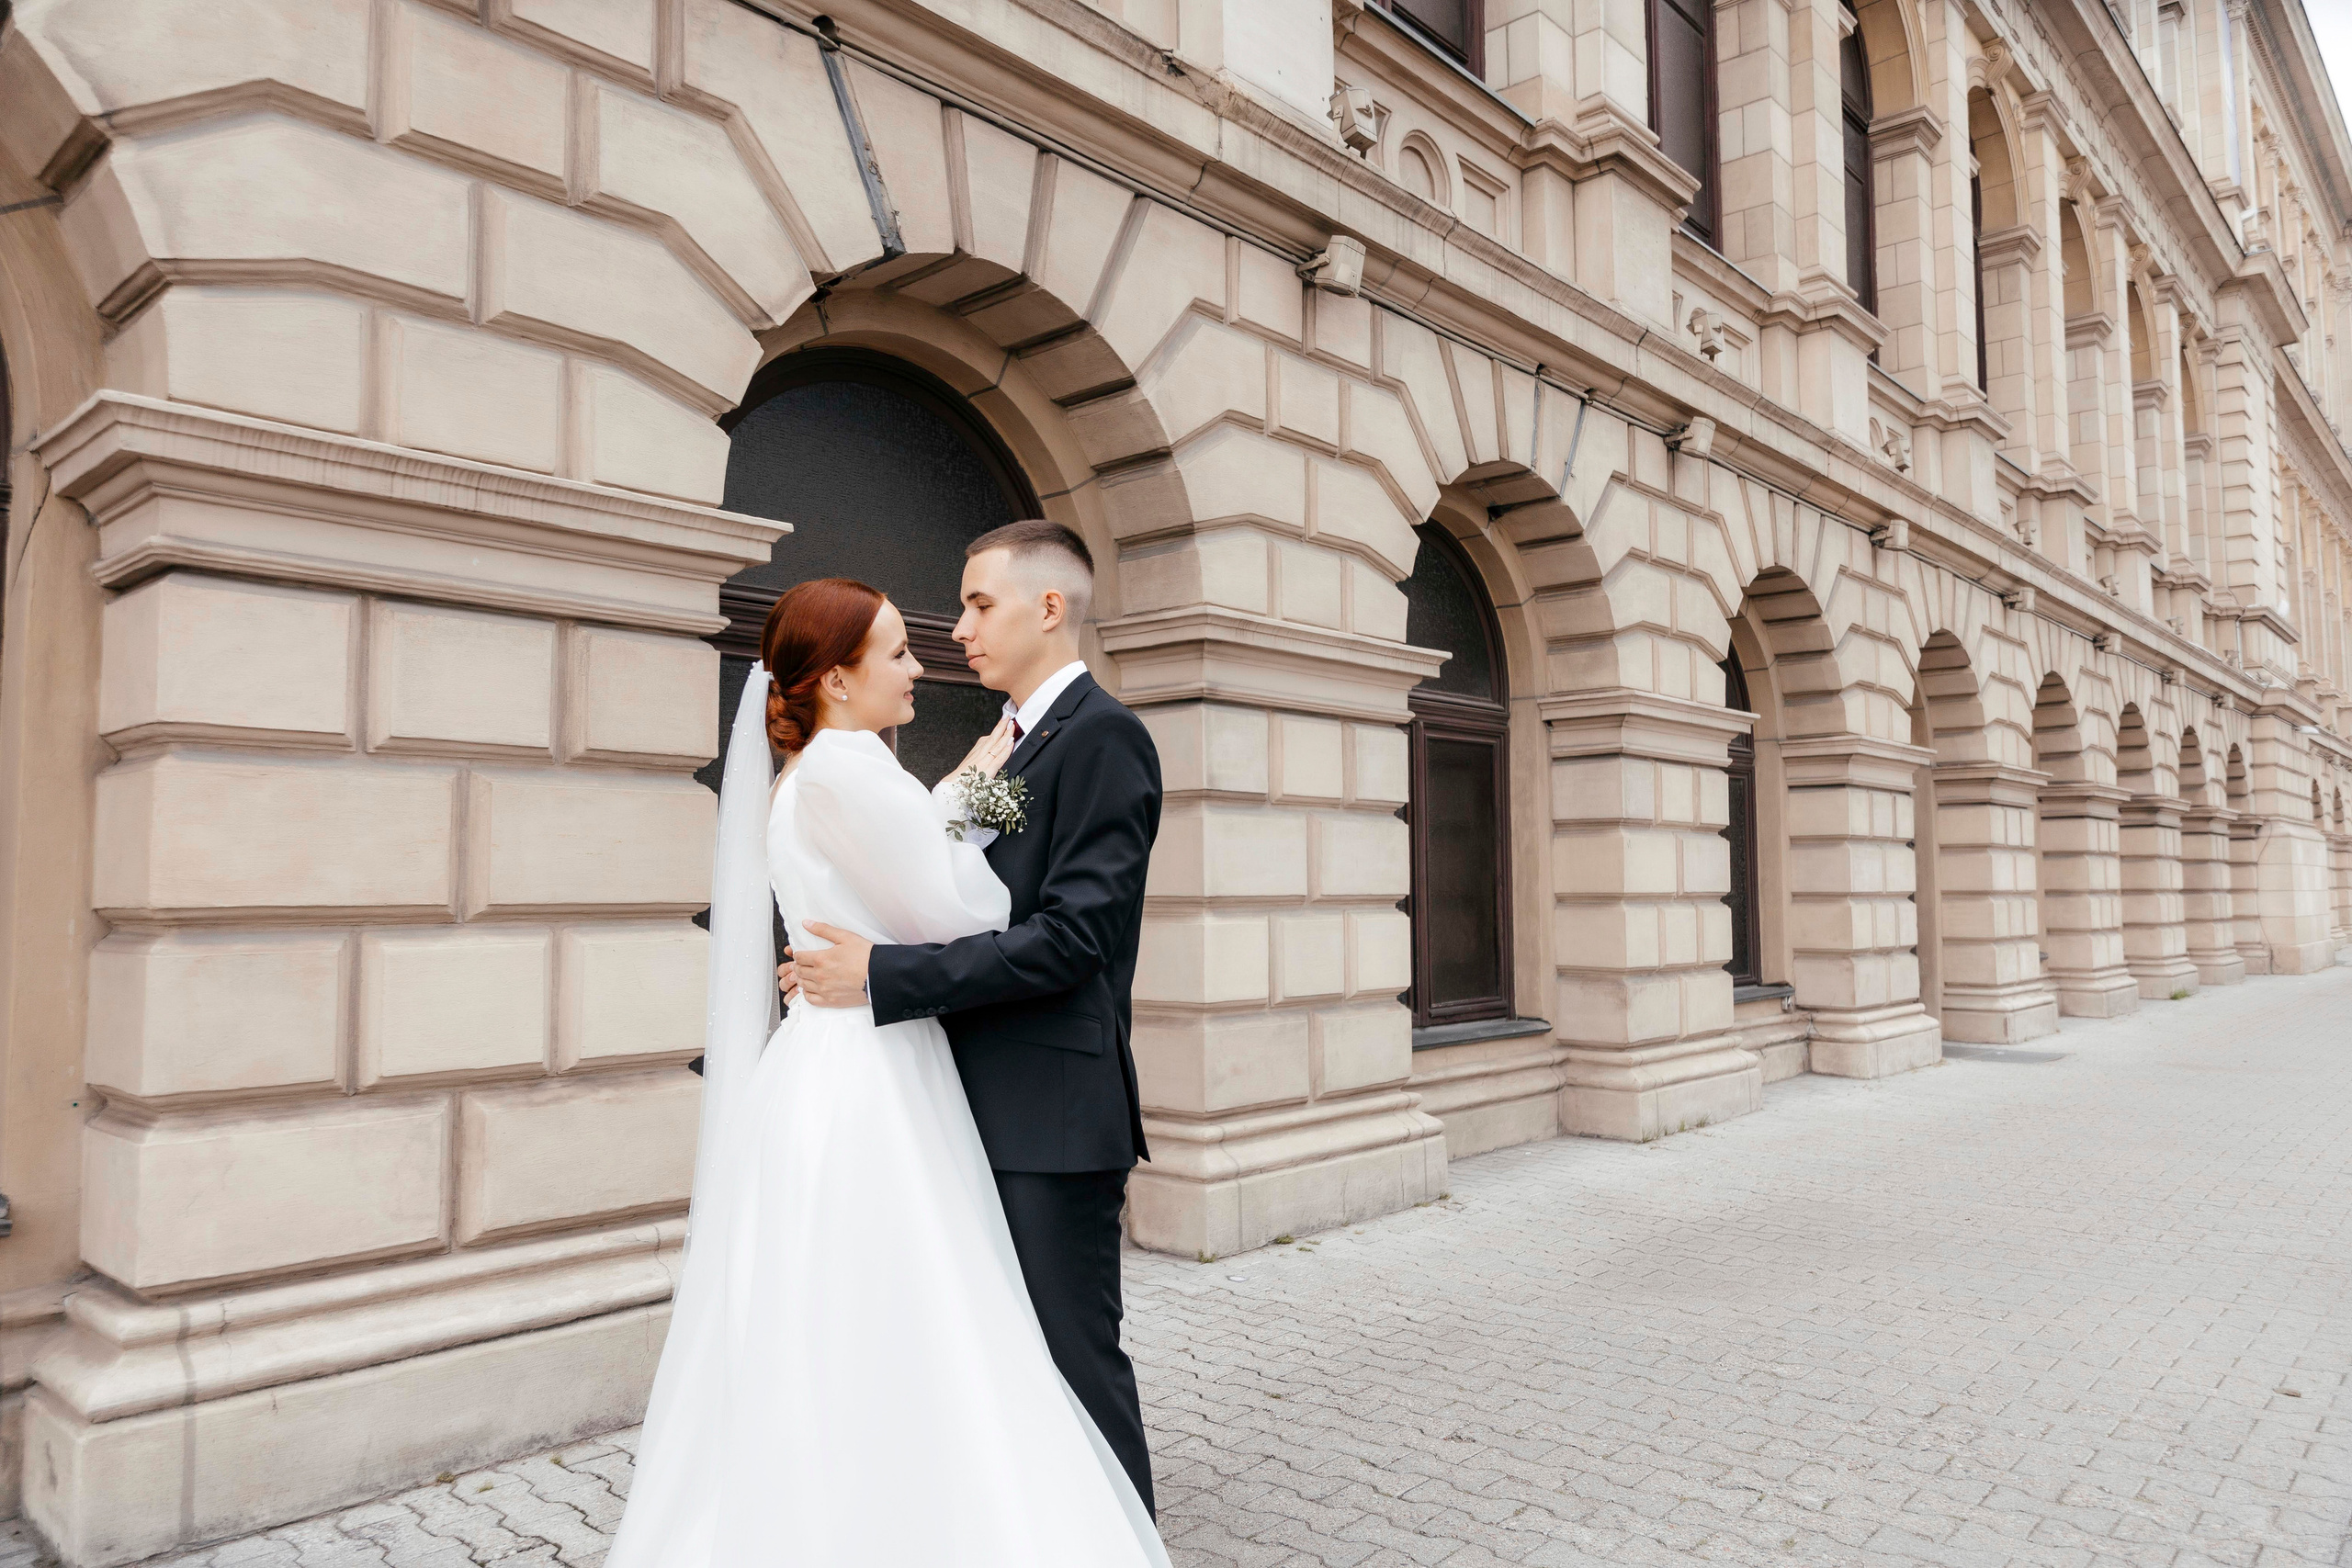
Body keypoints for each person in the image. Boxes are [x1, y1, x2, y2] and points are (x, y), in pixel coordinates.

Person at [604, 571, 1167, 1567]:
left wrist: (949, 821)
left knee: (846, 1319)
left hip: (830, 1069)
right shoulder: (852, 769)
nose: (928, 659)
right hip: (873, 1075)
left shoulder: (811, 774)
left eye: (962, 615)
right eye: (899, 652)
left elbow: (932, 884)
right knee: (917, 1312)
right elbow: (968, 910)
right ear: (833, 680)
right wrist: (898, 933)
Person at [786, 519, 1163, 1516]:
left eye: (978, 604)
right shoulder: (1008, 749)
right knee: (995, 1362)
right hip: (961, 1101)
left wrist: (885, 976)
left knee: (1071, 1358)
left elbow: (1076, 938)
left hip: (1048, 1111)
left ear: (1050, 608)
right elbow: (948, 883)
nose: (957, 628)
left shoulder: (1106, 739)